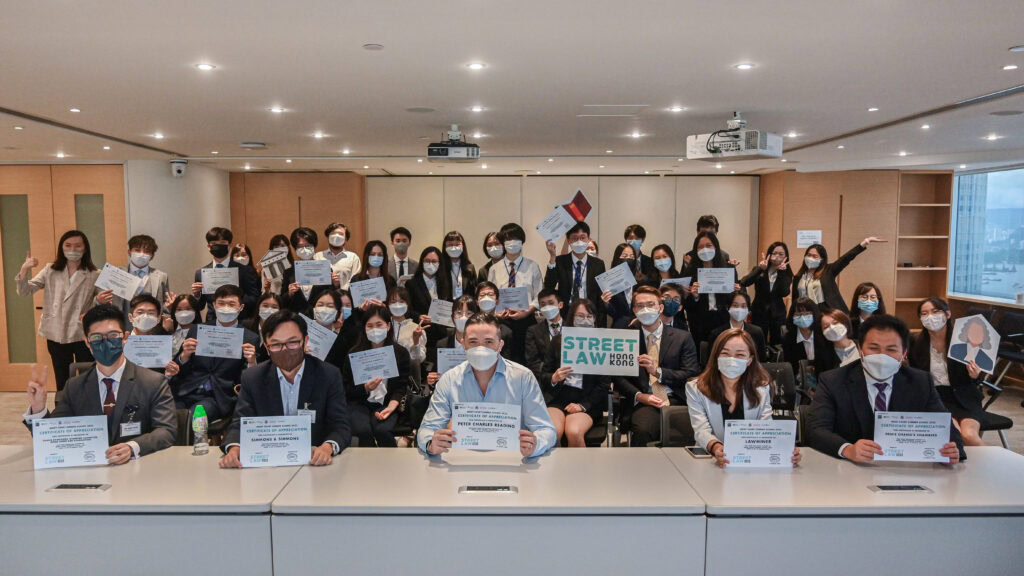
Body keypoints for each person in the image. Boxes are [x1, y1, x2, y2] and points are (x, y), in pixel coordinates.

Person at [23, 304, 177, 462]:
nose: (105, 342)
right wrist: (38, 409)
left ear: (125, 338)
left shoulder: (153, 382)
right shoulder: (74, 386)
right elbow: (54, 436)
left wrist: (133, 447)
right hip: (89, 470)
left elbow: (166, 431)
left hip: (137, 467)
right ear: (87, 343)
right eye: (96, 337)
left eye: (113, 335)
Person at [807, 314, 965, 464]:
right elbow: (815, 430)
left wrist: (951, 452)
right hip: (849, 472)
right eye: (874, 348)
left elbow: (947, 430)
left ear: (904, 354)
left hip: (903, 471)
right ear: (860, 350)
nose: (882, 356)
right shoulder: (833, 381)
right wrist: (847, 449)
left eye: (891, 350)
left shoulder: (920, 382)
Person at [220, 310, 351, 467]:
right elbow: (239, 423)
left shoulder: (328, 375)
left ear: (305, 341)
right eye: (276, 344)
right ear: (267, 348)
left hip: (313, 463)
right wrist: (234, 449)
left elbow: (340, 426)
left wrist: (327, 447)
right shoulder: (253, 377)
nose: (285, 349)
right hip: (267, 465)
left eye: (292, 342)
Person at [418, 312, 556, 457]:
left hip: (512, 461)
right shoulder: (449, 379)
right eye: (473, 342)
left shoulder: (523, 378)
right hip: (461, 460)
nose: (480, 349)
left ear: (500, 345)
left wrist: (536, 443)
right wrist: (431, 444)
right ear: (463, 344)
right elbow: (427, 429)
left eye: (489, 342)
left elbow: (546, 430)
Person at [686, 328, 801, 468]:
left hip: (750, 462)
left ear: (749, 360)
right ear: (716, 357)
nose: (731, 359)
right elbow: (701, 431)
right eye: (725, 353)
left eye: (740, 355)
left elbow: (766, 428)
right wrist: (716, 448)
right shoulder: (695, 388)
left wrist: (784, 451)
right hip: (709, 462)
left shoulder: (762, 388)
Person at [612, 286, 700, 446]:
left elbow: (690, 372)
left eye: (650, 304)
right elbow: (618, 377)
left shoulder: (682, 337)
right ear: (634, 310)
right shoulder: (626, 338)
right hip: (644, 400)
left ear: (660, 308)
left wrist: (658, 372)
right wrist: (639, 396)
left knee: (691, 431)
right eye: (640, 305)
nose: (645, 309)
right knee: (643, 431)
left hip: (677, 399)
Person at [16, 229, 100, 391]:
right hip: (56, 332)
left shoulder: (94, 274)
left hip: (82, 332)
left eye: (77, 246)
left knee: (87, 376)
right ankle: (62, 410)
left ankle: (87, 410)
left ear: (85, 248)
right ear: (61, 248)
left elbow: (103, 304)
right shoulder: (50, 270)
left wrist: (99, 300)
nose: (73, 250)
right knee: (62, 377)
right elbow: (25, 291)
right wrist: (24, 269)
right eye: (68, 245)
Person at [173, 284, 260, 422]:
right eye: (221, 303)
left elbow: (248, 380)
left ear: (241, 307)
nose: (226, 308)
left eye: (231, 304)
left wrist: (252, 362)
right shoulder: (198, 329)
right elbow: (177, 367)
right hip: (188, 390)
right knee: (170, 415)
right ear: (214, 305)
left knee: (193, 417)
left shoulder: (249, 338)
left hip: (219, 396)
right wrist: (184, 356)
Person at [910, 298, 986, 446]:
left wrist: (975, 375)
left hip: (964, 398)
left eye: (935, 311)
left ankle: (997, 465)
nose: (930, 316)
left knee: (969, 436)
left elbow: (976, 380)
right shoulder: (915, 343)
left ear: (948, 314)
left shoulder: (965, 341)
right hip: (935, 398)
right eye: (924, 313)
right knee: (954, 434)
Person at [543, 298, 608, 447]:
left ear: (594, 319)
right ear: (572, 317)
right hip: (558, 400)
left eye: (589, 316)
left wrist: (583, 405)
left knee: (573, 431)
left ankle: (579, 470)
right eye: (580, 316)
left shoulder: (603, 343)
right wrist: (554, 378)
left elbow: (603, 385)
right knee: (552, 431)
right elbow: (544, 375)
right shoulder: (558, 341)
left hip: (587, 403)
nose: (584, 320)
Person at [344, 304, 410, 447]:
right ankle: (368, 465)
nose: (375, 329)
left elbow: (401, 387)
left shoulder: (400, 353)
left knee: (383, 430)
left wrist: (391, 407)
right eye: (370, 326)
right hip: (358, 403)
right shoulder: (354, 354)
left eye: (379, 325)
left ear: (388, 326)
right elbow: (346, 389)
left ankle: (390, 465)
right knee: (363, 430)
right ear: (364, 328)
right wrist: (366, 388)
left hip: (387, 403)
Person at [488, 223, 542, 364]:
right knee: (503, 360)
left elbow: (539, 296)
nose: (512, 243)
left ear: (522, 241)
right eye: (508, 239)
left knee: (526, 361)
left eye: (516, 239)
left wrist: (527, 311)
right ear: (503, 243)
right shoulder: (494, 269)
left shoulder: (532, 266)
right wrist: (495, 313)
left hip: (527, 321)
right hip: (502, 321)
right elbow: (490, 296)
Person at [791, 237, 884, 314]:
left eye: (815, 256)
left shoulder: (828, 271)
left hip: (828, 312)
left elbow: (846, 258)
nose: (810, 258)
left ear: (822, 259)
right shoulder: (798, 277)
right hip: (807, 313)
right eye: (809, 255)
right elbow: (795, 301)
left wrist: (865, 242)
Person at [95, 234, 171, 322]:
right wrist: (98, 300)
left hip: (152, 328)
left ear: (152, 256)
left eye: (147, 251)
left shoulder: (161, 276)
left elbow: (166, 305)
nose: (141, 254)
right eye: (137, 250)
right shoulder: (114, 273)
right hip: (121, 325)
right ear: (129, 252)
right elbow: (100, 300)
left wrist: (166, 320)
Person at [191, 227, 260, 323]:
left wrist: (235, 298)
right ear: (208, 247)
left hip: (240, 321)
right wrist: (197, 295)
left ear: (230, 245)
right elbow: (200, 306)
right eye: (214, 244)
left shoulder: (245, 270)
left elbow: (254, 299)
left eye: (223, 243)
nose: (218, 246)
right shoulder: (201, 273)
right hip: (213, 322)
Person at [544, 221, 607, 325]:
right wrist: (552, 258)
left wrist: (599, 319)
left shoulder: (598, 264)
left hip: (590, 314)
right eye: (574, 238)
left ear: (588, 239)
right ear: (568, 240)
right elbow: (548, 286)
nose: (579, 241)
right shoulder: (560, 261)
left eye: (582, 237)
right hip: (566, 314)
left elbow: (600, 293)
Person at [682, 231, 735, 348]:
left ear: (716, 247)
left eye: (708, 246)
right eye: (700, 247)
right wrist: (694, 296)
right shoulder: (690, 271)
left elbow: (731, 300)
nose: (704, 249)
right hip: (699, 322)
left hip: (721, 320)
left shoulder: (726, 269)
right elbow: (687, 304)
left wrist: (733, 290)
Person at [739, 241, 791, 346]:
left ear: (786, 257)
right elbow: (744, 282)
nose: (777, 256)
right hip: (759, 310)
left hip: (777, 313)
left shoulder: (787, 273)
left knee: (777, 342)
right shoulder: (760, 269)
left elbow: (784, 292)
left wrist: (781, 273)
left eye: (781, 254)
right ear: (769, 254)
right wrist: (759, 269)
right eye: (774, 253)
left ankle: (775, 361)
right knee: (758, 340)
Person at [782, 297, 833, 390]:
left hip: (825, 381)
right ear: (792, 316)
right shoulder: (789, 338)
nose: (802, 317)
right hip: (800, 383)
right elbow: (790, 368)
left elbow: (830, 363)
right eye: (798, 313)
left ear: (815, 314)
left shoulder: (824, 335)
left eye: (807, 313)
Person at [385, 286, 427, 389]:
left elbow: (419, 359)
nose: (397, 305)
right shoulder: (382, 325)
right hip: (385, 376)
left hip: (408, 380)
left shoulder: (416, 328)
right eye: (393, 302)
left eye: (401, 301)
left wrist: (416, 341)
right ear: (388, 305)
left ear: (407, 304)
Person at [708, 291, 768, 362]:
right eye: (735, 305)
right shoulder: (717, 333)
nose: (739, 309)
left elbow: (761, 360)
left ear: (748, 310)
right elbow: (712, 362)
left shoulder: (757, 332)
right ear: (728, 308)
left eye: (743, 306)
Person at [126, 294, 178, 376]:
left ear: (158, 319)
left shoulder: (166, 343)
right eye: (140, 312)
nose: (145, 316)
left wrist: (169, 375)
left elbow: (168, 372)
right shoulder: (123, 343)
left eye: (151, 313)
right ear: (130, 317)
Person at [525, 289, 563, 391]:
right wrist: (551, 376)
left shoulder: (572, 328)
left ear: (560, 305)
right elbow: (533, 362)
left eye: (551, 303)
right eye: (543, 304)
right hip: (546, 384)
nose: (547, 307)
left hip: (570, 383)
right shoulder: (533, 331)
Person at [281, 226, 322, 314]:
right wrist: (289, 293)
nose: (304, 249)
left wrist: (335, 284)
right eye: (300, 246)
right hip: (296, 317)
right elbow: (282, 300)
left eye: (308, 246)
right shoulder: (289, 272)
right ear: (295, 249)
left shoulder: (323, 268)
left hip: (319, 317)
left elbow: (331, 294)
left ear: (314, 246)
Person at [315, 222, 362, 290]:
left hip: (346, 298)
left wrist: (340, 285)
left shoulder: (353, 257)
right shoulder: (318, 256)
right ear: (328, 237)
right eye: (333, 233)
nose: (336, 236)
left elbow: (356, 282)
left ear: (346, 239)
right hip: (323, 297)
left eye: (341, 234)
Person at [604, 243, 638, 327]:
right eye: (625, 256)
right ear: (617, 258)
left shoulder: (641, 280)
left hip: (638, 325)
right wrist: (606, 304)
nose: (628, 259)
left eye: (631, 256)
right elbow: (613, 313)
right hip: (619, 327)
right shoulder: (609, 281)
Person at [245, 292, 283, 363]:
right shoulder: (246, 326)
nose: (269, 310)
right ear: (259, 307)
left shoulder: (282, 331)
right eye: (265, 306)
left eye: (274, 307)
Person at [443, 230, 477, 300]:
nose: (454, 247)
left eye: (457, 244)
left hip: (465, 307)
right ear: (445, 247)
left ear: (463, 246)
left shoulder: (470, 268)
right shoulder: (440, 267)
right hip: (445, 307)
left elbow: (473, 292)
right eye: (450, 245)